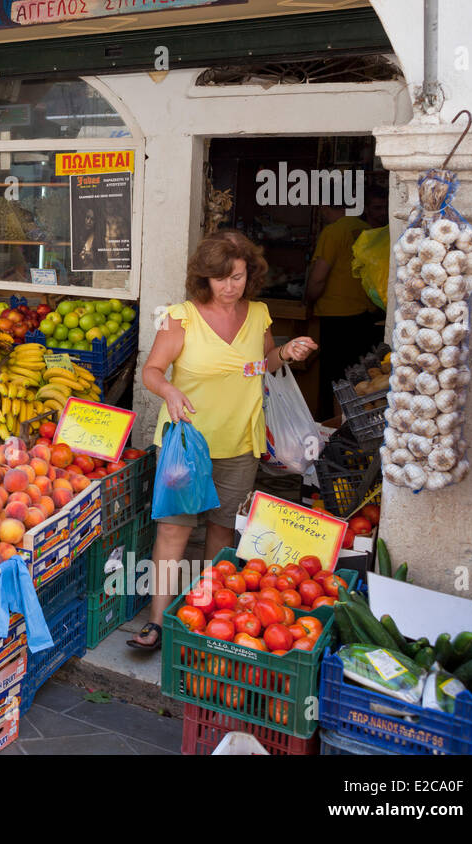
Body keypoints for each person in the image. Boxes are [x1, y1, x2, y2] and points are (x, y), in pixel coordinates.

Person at [129, 230, 317, 650]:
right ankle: (157, 620)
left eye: (238, 276)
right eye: (221, 278)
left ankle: (205, 612)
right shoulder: (182, 317)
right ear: (205, 279)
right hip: (185, 446)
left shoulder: (260, 315)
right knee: (174, 531)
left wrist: (286, 354)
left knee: (221, 531)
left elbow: (264, 363)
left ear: (249, 274)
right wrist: (170, 391)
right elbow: (153, 371)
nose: (230, 286)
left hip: (239, 442)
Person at [306, 199, 379, 418]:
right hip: (366, 314)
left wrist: (309, 300)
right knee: (361, 379)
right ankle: (359, 426)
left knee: (337, 379)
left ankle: (335, 427)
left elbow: (319, 277)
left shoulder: (333, 232)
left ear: (326, 208)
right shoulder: (367, 230)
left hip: (337, 316)